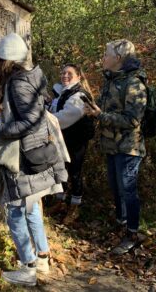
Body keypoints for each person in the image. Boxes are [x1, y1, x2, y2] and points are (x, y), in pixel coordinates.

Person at [0, 33, 68, 287]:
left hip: (23, 158)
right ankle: (42, 258)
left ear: (5, 61)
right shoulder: (32, 77)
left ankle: (27, 268)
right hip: (35, 154)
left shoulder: (17, 83)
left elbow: (29, 122)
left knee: (15, 210)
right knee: (31, 207)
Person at [83, 39, 147, 255]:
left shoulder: (134, 84)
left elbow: (132, 120)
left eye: (106, 54)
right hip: (111, 145)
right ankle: (121, 223)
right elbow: (108, 109)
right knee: (115, 187)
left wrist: (100, 115)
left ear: (118, 59)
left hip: (129, 148)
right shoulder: (112, 80)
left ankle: (132, 234)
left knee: (128, 191)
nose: (103, 57)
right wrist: (93, 110)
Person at [48, 63, 95, 224]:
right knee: (60, 169)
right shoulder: (63, 92)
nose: (64, 76)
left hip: (77, 140)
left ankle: (75, 207)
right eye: (62, 73)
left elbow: (64, 117)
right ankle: (60, 202)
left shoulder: (79, 96)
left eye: (69, 73)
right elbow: (54, 109)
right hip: (64, 138)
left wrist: (43, 119)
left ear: (78, 77)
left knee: (75, 172)